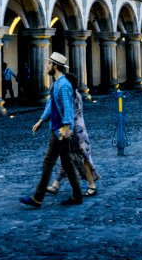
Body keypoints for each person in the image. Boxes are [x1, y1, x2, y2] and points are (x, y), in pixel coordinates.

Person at [20, 53, 83, 208]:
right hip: (58, 128)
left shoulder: (64, 85)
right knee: (67, 164)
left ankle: (37, 198)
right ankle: (77, 196)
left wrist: (67, 127)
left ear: (55, 66)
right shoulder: (57, 84)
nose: (47, 66)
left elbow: (68, 108)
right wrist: (41, 120)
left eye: (49, 64)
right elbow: (51, 105)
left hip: (60, 131)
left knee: (48, 162)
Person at [47, 73, 100, 197]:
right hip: (77, 130)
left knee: (83, 158)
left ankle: (92, 185)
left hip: (75, 131)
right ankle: (55, 184)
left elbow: (66, 113)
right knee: (66, 157)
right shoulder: (76, 93)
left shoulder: (71, 95)